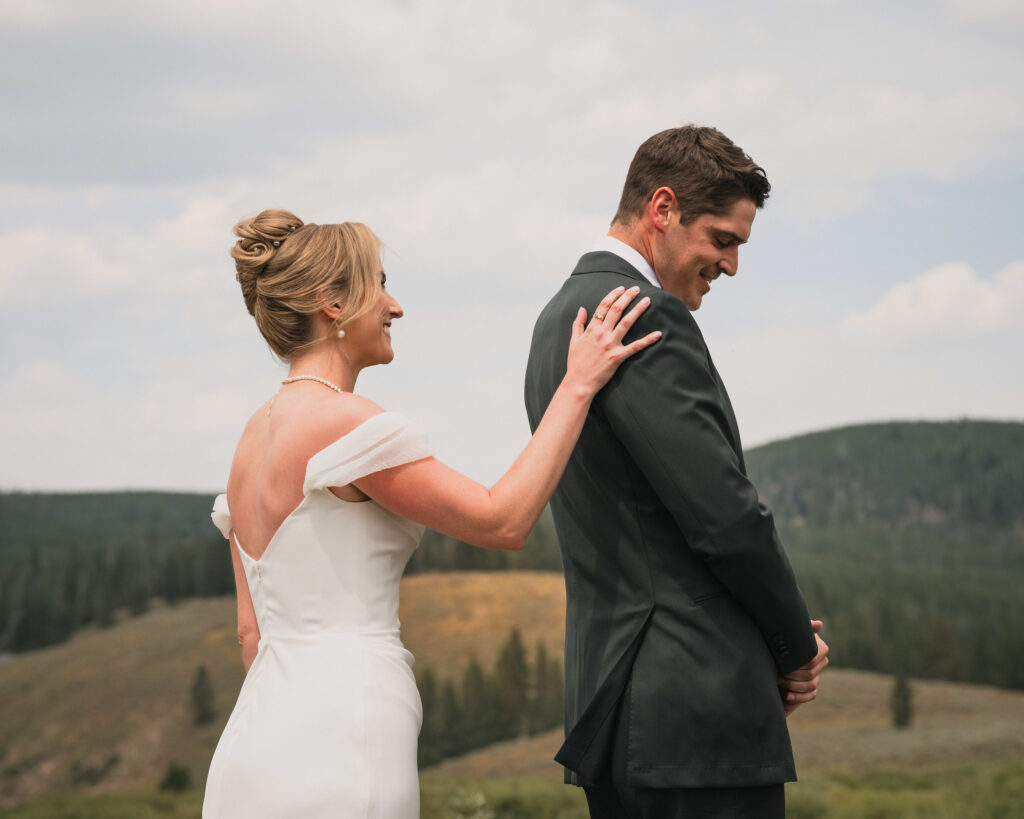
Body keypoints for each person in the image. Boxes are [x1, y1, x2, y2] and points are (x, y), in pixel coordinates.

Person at [201, 209, 661, 819]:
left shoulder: (250, 441)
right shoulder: (343, 421)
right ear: (331, 304)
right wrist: (577, 385)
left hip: (253, 743)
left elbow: (251, 634)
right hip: (347, 728)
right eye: (380, 285)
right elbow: (502, 521)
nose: (395, 307)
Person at [524, 126, 829, 819]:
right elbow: (723, 515)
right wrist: (793, 642)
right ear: (663, 209)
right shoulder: (641, 313)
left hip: (620, 707)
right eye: (723, 239)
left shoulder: (558, 320)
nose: (730, 264)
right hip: (692, 712)